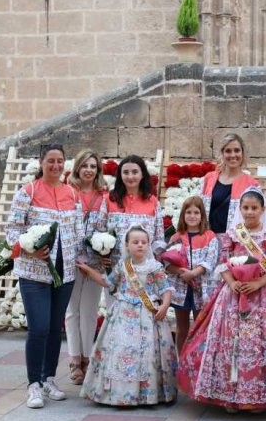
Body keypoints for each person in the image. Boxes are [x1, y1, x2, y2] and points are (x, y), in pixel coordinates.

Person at [176, 188, 266, 412]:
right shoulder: (233, 234)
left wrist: (257, 283)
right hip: (233, 294)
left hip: (264, 295)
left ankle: (260, 395)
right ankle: (230, 394)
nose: (250, 212)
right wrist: (231, 282)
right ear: (240, 209)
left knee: (262, 343)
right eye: (245, 208)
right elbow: (223, 263)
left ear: (263, 209)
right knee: (232, 341)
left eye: (254, 208)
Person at [5, 143, 80, 409]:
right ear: (41, 162)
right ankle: (33, 384)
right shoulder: (28, 191)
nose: (56, 166)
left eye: (60, 161)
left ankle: (49, 378)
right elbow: (12, 229)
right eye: (51, 161)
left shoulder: (72, 192)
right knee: (37, 328)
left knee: (53, 328)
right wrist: (29, 250)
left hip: (65, 272)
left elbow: (78, 231)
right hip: (33, 272)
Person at [76, 225, 176, 406]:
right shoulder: (123, 266)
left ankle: (147, 394)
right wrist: (89, 270)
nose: (140, 245)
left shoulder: (155, 267)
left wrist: (165, 305)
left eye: (144, 242)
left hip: (148, 316)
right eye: (135, 242)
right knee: (121, 350)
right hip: (123, 315)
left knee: (147, 352)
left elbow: (166, 288)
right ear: (127, 246)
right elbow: (107, 282)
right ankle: (120, 393)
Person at [65, 149, 108, 385]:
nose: (89, 170)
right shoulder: (68, 192)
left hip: (94, 261)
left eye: (93, 166)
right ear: (78, 168)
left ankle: (87, 358)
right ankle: (74, 361)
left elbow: (107, 227)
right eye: (85, 166)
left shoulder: (104, 195)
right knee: (72, 311)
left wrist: (103, 252)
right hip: (72, 259)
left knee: (90, 311)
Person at [200, 133, 259, 299]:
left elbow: (258, 216)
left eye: (236, 150)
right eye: (228, 151)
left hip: (236, 246)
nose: (233, 155)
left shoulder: (251, 183)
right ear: (222, 153)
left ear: (243, 153)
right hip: (209, 244)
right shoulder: (209, 179)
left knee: (231, 294)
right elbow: (198, 209)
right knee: (208, 296)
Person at [166, 197, 220, 354]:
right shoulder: (176, 237)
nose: (192, 216)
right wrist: (181, 272)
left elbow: (210, 260)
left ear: (202, 215)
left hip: (201, 289)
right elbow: (167, 262)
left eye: (196, 212)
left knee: (199, 326)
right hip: (181, 288)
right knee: (182, 327)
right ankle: (181, 359)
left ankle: (197, 360)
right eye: (188, 212)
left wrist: (193, 273)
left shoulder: (210, 237)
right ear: (183, 215)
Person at [98, 155, 165, 275]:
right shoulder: (109, 199)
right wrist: (101, 254)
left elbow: (159, 237)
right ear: (120, 175)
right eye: (125, 172)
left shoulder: (153, 201)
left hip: (145, 270)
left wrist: (155, 263)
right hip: (115, 270)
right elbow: (100, 231)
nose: (130, 176)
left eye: (135, 172)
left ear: (142, 174)